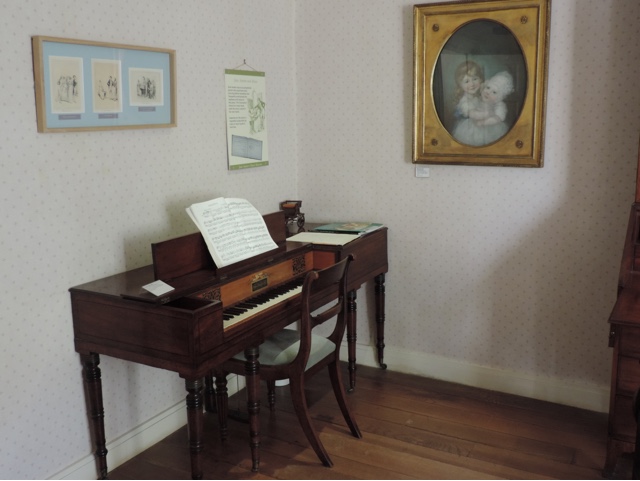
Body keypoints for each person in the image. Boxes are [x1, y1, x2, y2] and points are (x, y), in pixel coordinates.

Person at [453, 70, 514, 146]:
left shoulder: (495, 103)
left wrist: (486, 120)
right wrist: (485, 114)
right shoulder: (470, 100)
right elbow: (472, 114)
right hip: (472, 128)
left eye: (494, 92)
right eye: (488, 88)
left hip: (491, 128)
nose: (488, 92)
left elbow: (499, 116)